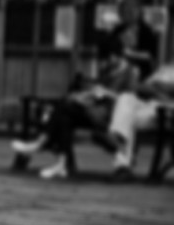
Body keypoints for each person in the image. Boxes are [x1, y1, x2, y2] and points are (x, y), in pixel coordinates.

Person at [11, 34, 139, 179]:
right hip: (94, 111)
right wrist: (86, 94)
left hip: (110, 118)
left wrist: (106, 93)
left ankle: (42, 143)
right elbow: (97, 90)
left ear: (116, 55)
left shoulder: (130, 72)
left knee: (64, 107)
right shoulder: (108, 70)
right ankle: (65, 163)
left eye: (108, 58)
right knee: (65, 114)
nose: (105, 62)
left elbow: (130, 101)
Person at [105, 61, 174, 181]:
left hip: (167, 113)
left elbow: (161, 87)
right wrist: (157, 90)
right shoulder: (166, 68)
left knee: (125, 120)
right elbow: (140, 86)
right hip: (150, 106)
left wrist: (162, 87)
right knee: (125, 98)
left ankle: (119, 149)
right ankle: (117, 140)